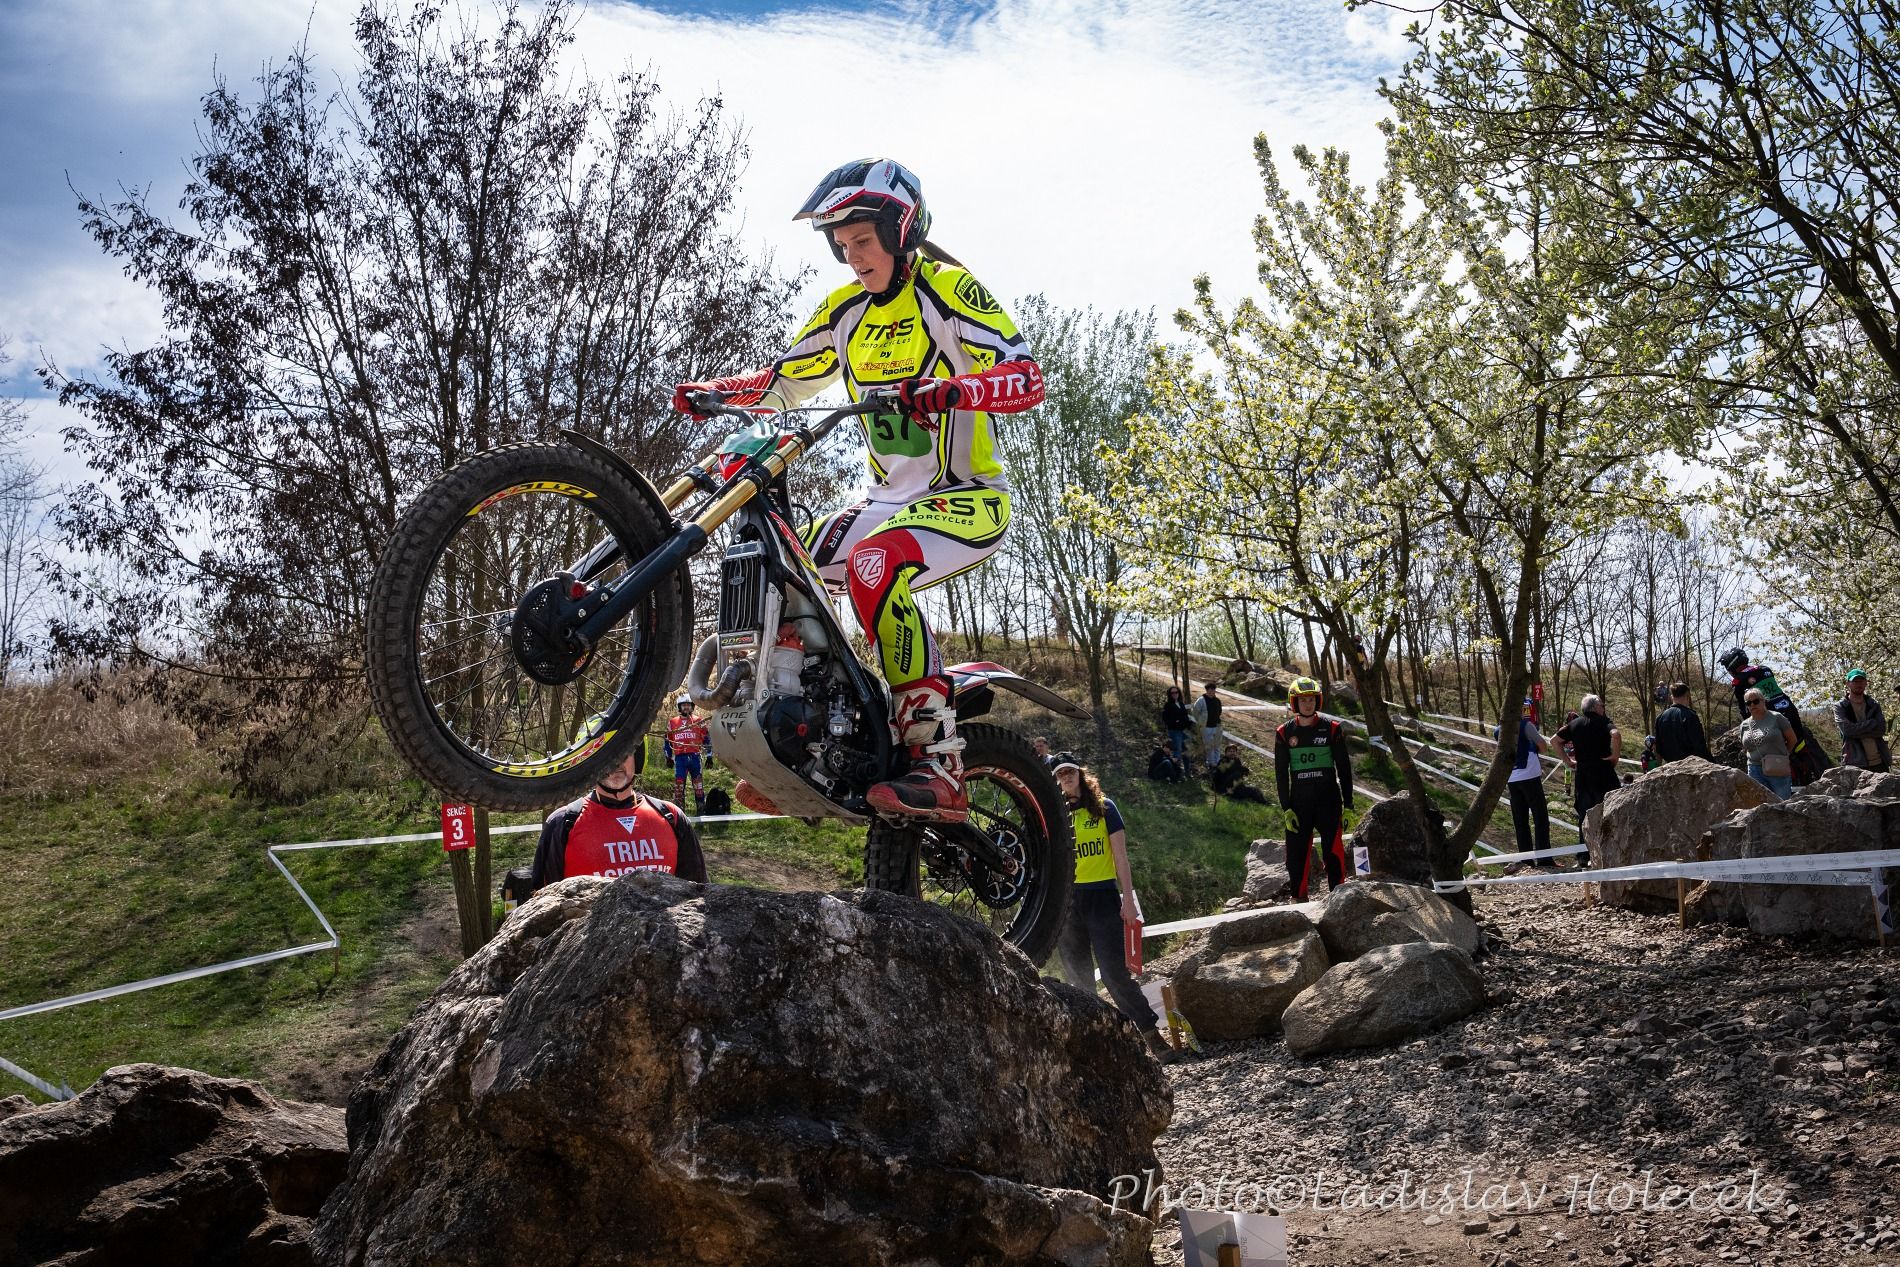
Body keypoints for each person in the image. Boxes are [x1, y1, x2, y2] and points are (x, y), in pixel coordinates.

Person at [673, 159, 1043, 822]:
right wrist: (716, 391)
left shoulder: (948, 290)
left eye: (863, 241)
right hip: (886, 503)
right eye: (842, 246)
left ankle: (938, 759)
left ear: (901, 232)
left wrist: (955, 390)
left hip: (968, 495)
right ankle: (807, 742)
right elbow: (782, 382)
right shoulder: (845, 311)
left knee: (873, 564)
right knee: (781, 565)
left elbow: (1027, 377)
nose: (853, 257)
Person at [1052, 758, 1178, 1064]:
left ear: (1080, 773)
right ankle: (1098, 1049)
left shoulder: (1104, 808)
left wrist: (1128, 899)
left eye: (1070, 771)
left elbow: (1121, 857)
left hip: (1103, 896)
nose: (1066, 777)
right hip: (1067, 903)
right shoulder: (1054, 814)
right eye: (1060, 773)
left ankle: (1152, 1036)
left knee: (1114, 973)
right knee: (1079, 980)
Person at [529, 742, 707, 890]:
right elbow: (543, 904)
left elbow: (699, 894)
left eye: (623, 751)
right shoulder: (563, 822)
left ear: (637, 757)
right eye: (603, 754)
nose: (615, 762)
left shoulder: (671, 816)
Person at [1274, 677, 1353, 900]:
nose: (1308, 704)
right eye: (1303, 700)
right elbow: (1281, 774)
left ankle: (1338, 899)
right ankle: (1298, 901)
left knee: (1333, 853)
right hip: (1299, 804)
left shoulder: (1333, 729)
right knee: (1296, 857)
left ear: (1317, 701)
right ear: (1294, 703)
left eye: (1311, 700)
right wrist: (1286, 808)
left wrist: (1348, 804)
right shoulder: (1283, 732)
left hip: (1329, 802)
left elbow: (1344, 769)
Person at [1718, 647, 1831, 785]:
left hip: (1771, 717)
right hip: (1789, 709)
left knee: (1776, 752)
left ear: (1732, 664)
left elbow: (1745, 709)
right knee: (1799, 744)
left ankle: (1789, 783)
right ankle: (1811, 774)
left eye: (1726, 666)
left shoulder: (1739, 681)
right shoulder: (1765, 669)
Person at [1554, 695, 1620, 865]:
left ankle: (1584, 856)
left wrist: (1567, 761)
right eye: (1602, 705)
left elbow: (1555, 741)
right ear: (1595, 707)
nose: (1603, 708)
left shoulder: (1574, 724)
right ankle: (1609, 854)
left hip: (1583, 776)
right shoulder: (1604, 722)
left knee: (1584, 816)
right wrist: (1615, 756)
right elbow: (1616, 735)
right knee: (1610, 813)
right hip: (1604, 774)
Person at [1497, 697, 1553, 865]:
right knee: (1540, 817)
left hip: (1511, 778)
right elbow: (1543, 746)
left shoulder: (1498, 730)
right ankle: (1544, 858)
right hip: (1530, 776)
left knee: (1520, 821)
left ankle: (1526, 860)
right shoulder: (1526, 725)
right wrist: (1533, 748)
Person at [1738, 688, 1796, 799]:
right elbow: (1745, 747)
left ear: (1763, 701)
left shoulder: (1777, 717)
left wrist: (1785, 755)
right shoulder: (1744, 725)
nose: (1752, 705)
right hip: (1754, 769)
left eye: (1756, 701)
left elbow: (1792, 739)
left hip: (1777, 767)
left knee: (1782, 803)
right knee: (1760, 804)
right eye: (1748, 703)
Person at [1836, 668, 1891, 772]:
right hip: (1855, 763)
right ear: (1848, 683)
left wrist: (1856, 730)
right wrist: (1872, 723)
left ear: (1866, 683)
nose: (1858, 684)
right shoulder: (1840, 706)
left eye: (1861, 681)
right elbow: (1847, 731)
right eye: (1855, 681)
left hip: (1880, 761)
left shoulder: (1874, 704)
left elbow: (1881, 730)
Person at [666, 695, 710, 813]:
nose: (686, 707)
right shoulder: (672, 722)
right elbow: (667, 741)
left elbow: (707, 739)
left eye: (688, 705)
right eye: (684, 705)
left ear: (692, 706)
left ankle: (701, 811)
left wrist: (709, 756)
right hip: (680, 759)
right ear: (679, 707)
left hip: (695, 757)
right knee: (679, 787)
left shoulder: (699, 721)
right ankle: (680, 814)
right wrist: (668, 757)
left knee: (698, 786)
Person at [1654, 682, 1711, 764]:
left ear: (1672, 697)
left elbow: (1658, 747)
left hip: (1670, 765)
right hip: (1691, 765)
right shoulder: (1690, 716)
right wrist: (1710, 762)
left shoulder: (1660, 718)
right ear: (1687, 695)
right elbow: (1699, 745)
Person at [1191, 682, 1225, 776]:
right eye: (1210, 690)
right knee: (1209, 746)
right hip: (1206, 727)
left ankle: (1217, 762)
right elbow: (1195, 712)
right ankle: (1211, 763)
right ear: (1206, 690)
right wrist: (1201, 721)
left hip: (1217, 726)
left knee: (1217, 746)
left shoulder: (1217, 700)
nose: (1211, 692)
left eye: (1213, 690)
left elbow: (1219, 711)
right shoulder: (1201, 700)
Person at [1161, 686, 1193, 776]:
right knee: (1177, 751)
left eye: (1176, 692)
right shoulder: (1167, 705)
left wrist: (1189, 723)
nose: (1175, 694)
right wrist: (1176, 721)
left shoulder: (1181, 704)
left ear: (1179, 693)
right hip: (1175, 731)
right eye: (1172, 693)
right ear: (1169, 694)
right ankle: (1176, 773)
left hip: (1185, 731)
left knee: (1186, 751)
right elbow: (1165, 719)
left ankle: (1187, 772)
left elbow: (1185, 717)